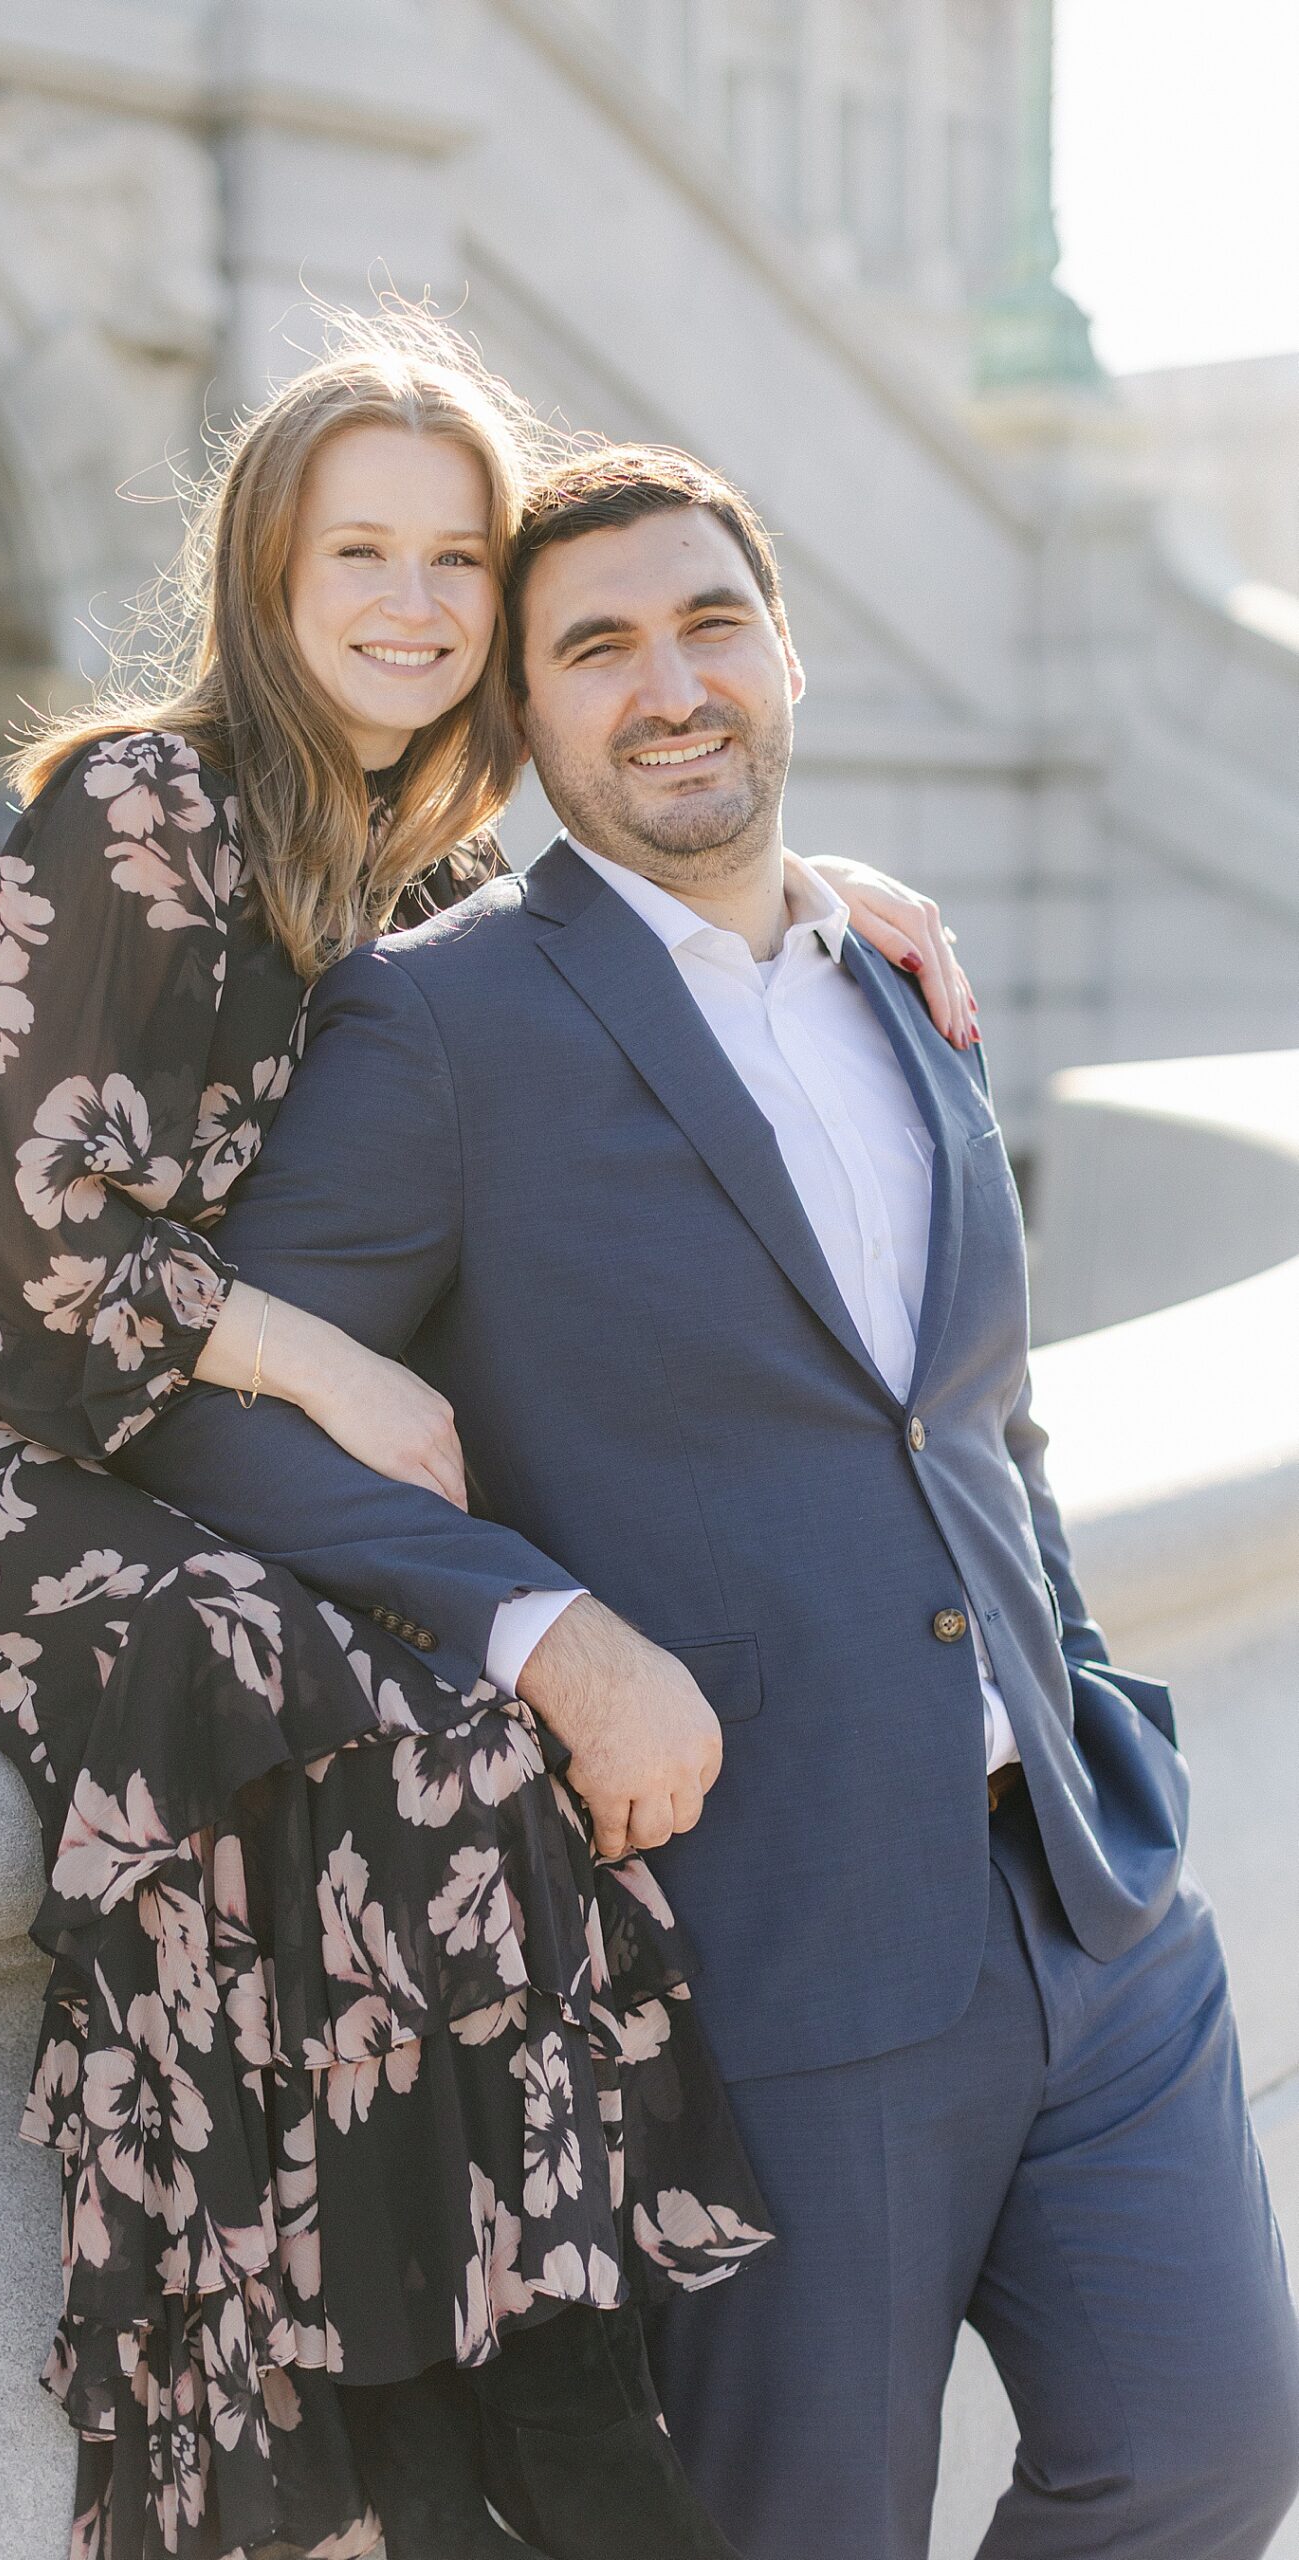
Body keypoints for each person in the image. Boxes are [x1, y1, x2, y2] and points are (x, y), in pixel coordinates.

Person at [0, 316, 974, 2560]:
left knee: (468, 1731)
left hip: (172, 1440)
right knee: (308, 1696)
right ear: (270, 568)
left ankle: (514, 2392)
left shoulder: (421, 868)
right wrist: (320, 1368)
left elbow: (627, 932)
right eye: (363, 553)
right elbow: (11, 1230)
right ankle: (375, 2436)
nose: (415, 604)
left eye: (455, 561)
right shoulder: (137, 806)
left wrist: (825, 899)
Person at [120, 442, 1299, 2560]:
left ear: (784, 652)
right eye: (595, 649)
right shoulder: (439, 1023)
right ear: (522, 717)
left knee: (1209, 2450)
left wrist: (1087, 1693)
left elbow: (970, 1413)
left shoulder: (895, 978)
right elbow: (214, 1418)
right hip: (767, 1947)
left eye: (708, 623)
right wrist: (545, 1634)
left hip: (1091, 1895)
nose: (668, 687)